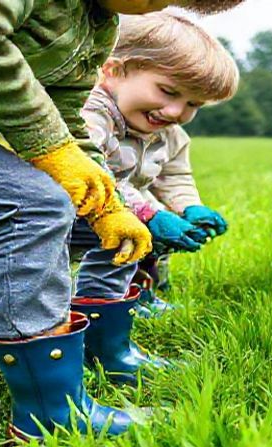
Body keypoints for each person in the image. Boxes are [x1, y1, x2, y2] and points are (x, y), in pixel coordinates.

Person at [0, 0, 244, 439]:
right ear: (118, 72)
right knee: (35, 205)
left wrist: (114, 208)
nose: (157, 6)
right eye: (170, 92)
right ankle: (50, 411)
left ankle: (101, 351)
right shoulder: (103, 95)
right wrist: (134, 206)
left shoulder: (97, 22)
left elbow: (64, 121)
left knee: (114, 227)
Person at [76, 11, 237, 383]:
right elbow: (93, 172)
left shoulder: (168, 129)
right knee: (130, 234)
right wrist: (147, 214)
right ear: (114, 71)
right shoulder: (90, 112)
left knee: (156, 223)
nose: (177, 112)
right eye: (168, 91)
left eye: (193, 104)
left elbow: (175, 175)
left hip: (119, 205)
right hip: (68, 207)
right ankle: (103, 346)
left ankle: (136, 296)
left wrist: (188, 207)